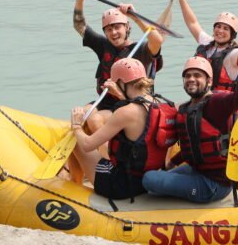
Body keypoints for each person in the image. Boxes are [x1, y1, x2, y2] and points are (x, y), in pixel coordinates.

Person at [142, 55, 238, 204]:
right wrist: (172, 163)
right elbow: (192, 146)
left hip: (214, 185)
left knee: (149, 179)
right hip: (197, 171)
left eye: (197, 75)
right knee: (153, 180)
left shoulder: (217, 103)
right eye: (187, 76)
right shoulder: (187, 108)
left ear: (209, 81)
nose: (191, 79)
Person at [67, 58, 176, 201]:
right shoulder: (161, 105)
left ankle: (73, 186)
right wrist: (120, 95)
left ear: (121, 83)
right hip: (146, 180)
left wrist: (76, 125)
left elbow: (87, 145)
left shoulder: (125, 113)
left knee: (75, 139)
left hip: (120, 185)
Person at [73, 0, 164, 132]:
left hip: (133, 104)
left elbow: (157, 41)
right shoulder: (104, 45)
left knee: (95, 118)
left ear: (127, 27)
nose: (113, 32)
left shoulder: (140, 49)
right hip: (107, 101)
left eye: (117, 27)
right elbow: (79, 26)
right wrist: (80, 0)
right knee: (81, 114)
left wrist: (135, 17)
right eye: (109, 29)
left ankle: (107, 154)